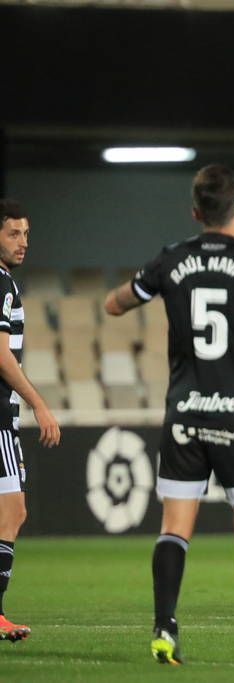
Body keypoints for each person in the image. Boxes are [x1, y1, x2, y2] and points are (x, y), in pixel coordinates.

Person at [104, 165, 234, 665]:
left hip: (185, 410)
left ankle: (165, 629)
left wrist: (151, 285)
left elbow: (115, 306)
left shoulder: (172, 259)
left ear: (195, 212)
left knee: (174, 525)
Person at [0, 199, 61, 643]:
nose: (23, 242)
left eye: (25, 233)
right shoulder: (1, 283)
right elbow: (0, 356)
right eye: (13, 234)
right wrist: (38, 403)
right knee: (13, 511)